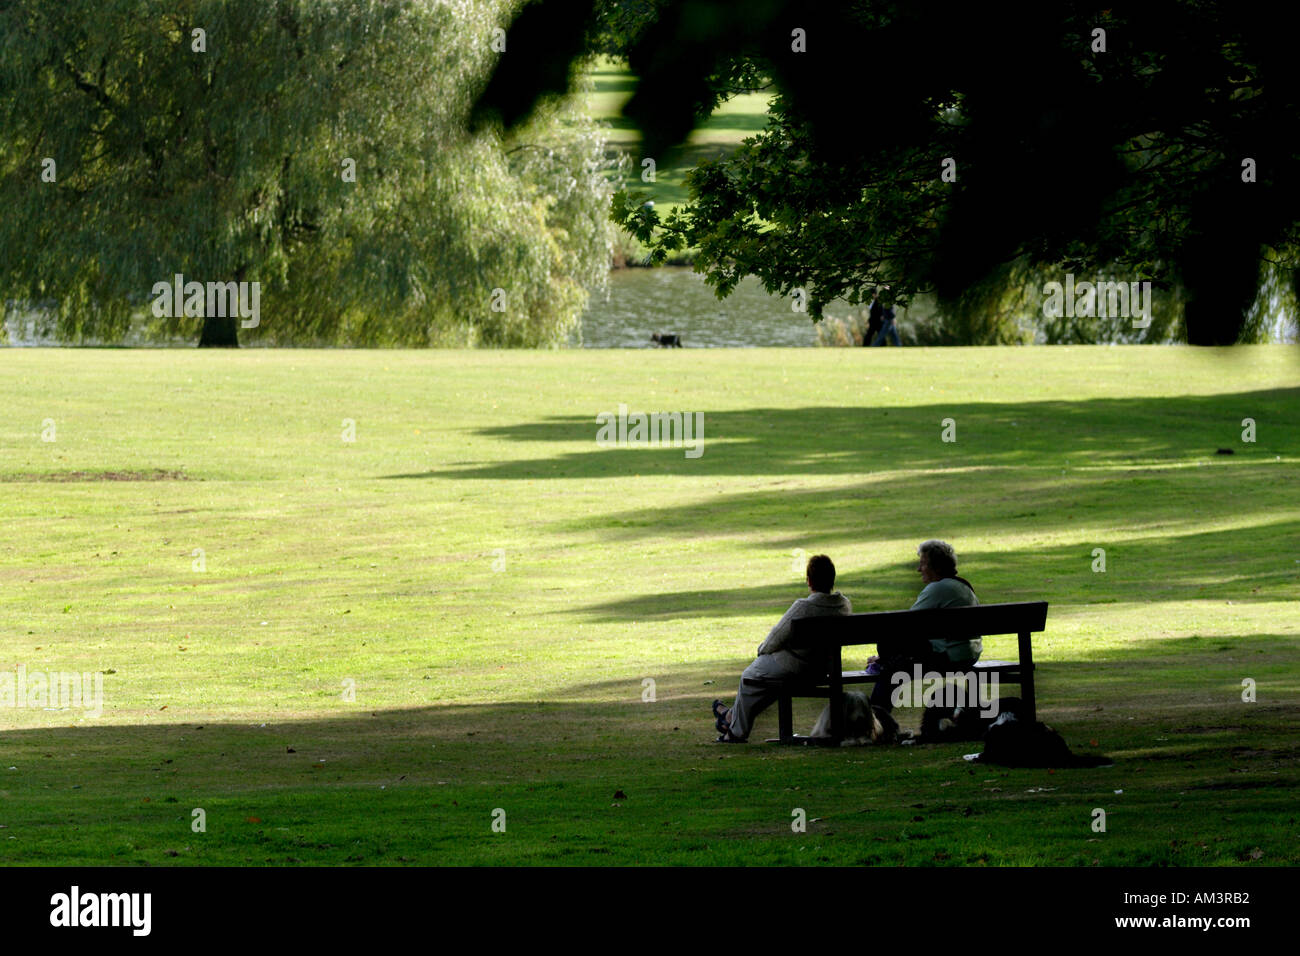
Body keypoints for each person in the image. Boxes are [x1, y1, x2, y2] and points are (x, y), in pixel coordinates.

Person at [712, 554, 851, 742]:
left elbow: (775, 638)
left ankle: (735, 730)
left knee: (750, 677)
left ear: (809, 580)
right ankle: (730, 716)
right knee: (766, 680)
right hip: (823, 669)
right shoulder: (844, 606)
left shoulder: (803, 607)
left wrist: (762, 651)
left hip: (795, 666)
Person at [868, 540, 979, 713]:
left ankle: (877, 716)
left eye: (923, 564)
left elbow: (907, 625)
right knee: (895, 660)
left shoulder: (938, 588)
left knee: (890, 657)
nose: (919, 569)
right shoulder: (964, 587)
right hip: (968, 654)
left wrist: (884, 658)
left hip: (949, 657)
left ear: (937, 567)